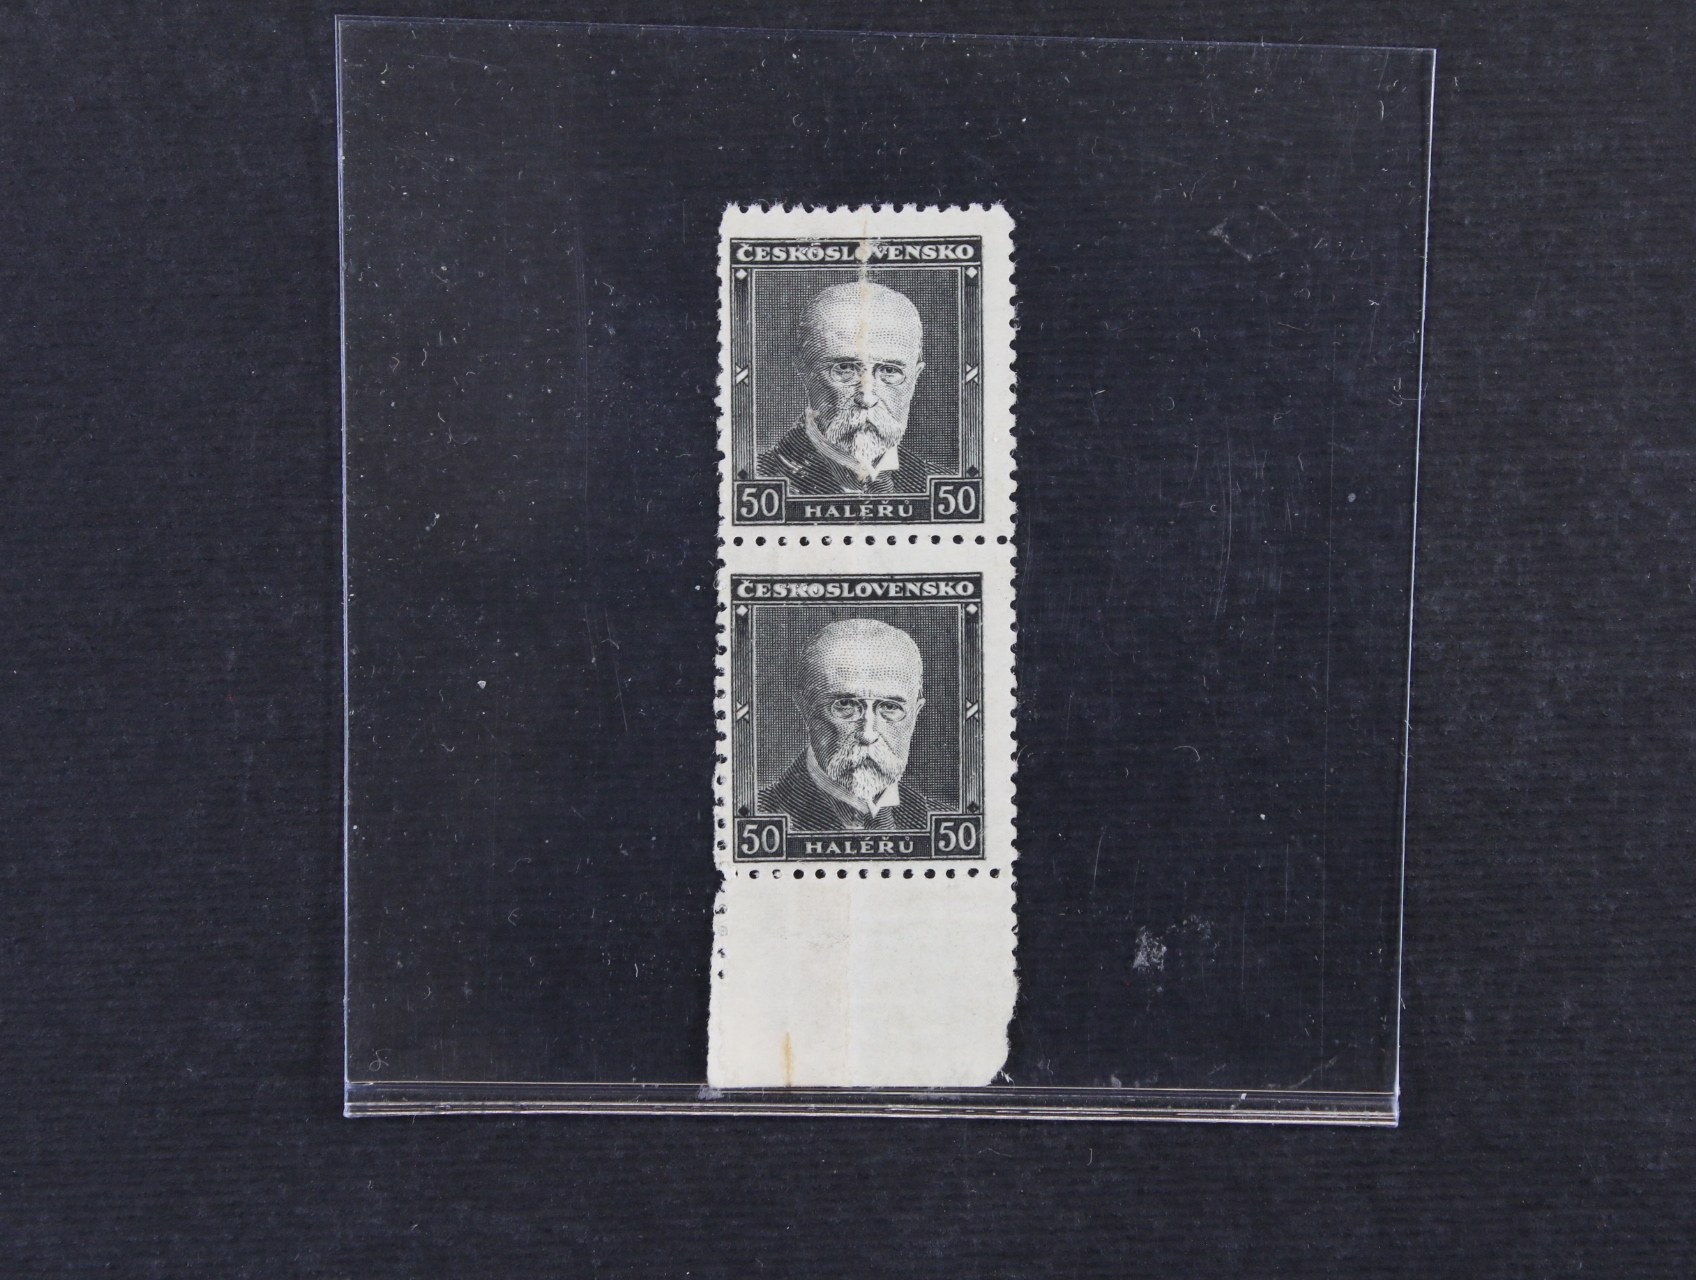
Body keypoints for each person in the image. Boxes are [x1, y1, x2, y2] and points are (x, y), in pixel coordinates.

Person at [757, 281, 938, 495]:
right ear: (804, 370)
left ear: (915, 376)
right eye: (845, 368)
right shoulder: (760, 476)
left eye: (889, 371)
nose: (867, 399)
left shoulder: (936, 481)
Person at [759, 618, 934, 832]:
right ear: (805, 707)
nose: (868, 734)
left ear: (915, 712)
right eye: (845, 704)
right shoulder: (759, 813)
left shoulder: (935, 817)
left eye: (890, 707)